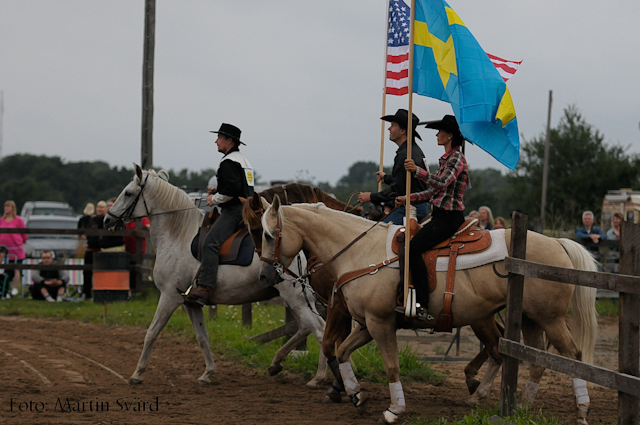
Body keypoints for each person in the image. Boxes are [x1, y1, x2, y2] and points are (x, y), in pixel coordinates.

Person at [395, 115, 469, 318]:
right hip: (440, 215)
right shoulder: (447, 159)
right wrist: (407, 198)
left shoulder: (457, 158)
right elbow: (432, 192)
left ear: (450, 135)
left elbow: (442, 182)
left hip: (449, 218)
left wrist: (416, 171)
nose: (437, 134)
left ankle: (422, 303)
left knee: (413, 248)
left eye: (440, 131)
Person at [184, 123, 254, 305]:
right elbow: (239, 187)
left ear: (229, 141)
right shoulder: (244, 161)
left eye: (219, 138)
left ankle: (205, 288)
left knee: (210, 243)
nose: (216, 142)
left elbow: (230, 192)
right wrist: (219, 190)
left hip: (234, 211)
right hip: (247, 208)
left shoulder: (228, 161)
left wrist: (213, 199)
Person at [357, 109, 429, 225]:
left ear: (402, 130)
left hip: (411, 208)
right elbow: (406, 181)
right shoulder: (413, 150)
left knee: (381, 231)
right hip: (418, 205)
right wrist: (386, 178)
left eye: (392, 125)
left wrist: (371, 196)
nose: (389, 129)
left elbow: (397, 189)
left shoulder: (405, 154)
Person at [0, 200, 28, 298]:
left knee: (16, 268)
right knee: (4, 269)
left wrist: (21, 240)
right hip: (3, 249)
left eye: (8, 207)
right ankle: (4, 288)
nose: (6, 208)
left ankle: (15, 288)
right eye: (5, 206)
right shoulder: (1, 220)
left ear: (13, 208)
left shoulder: (18, 220)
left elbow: (24, 234)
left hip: (15, 248)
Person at [124, 216, 150, 291]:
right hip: (128, 248)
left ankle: (136, 289)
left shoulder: (142, 219)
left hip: (139, 249)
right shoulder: (127, 220)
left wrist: (146, 227)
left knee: (137, 269)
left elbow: (149, 227)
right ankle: (129, 289)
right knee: (129, 269)